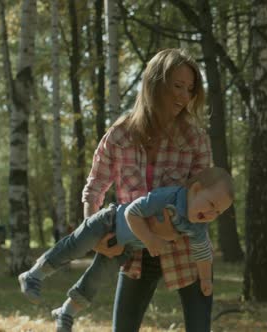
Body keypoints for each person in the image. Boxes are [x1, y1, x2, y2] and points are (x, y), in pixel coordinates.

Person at [67, 48, 213, 331]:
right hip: (134, 251)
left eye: (190, 89)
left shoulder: (195, 138)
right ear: (155, 83)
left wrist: (175, 226)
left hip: (187, 250)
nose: (184, 96)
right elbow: (95, 185)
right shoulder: (120, 134)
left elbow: (204, 199)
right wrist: (94, 232)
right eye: (177, 86)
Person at [18, 167, 234, 331]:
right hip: (109, 222)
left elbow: (203, 252)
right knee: (75, 247)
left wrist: (205, 279)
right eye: (211, 204)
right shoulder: (169, 197)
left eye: (218, 213)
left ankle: (65, 312)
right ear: (195, 190)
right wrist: (150, 238)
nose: (212, 214)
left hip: (126, 247)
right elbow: (132, 211)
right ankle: (33, 274)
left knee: (97, 278)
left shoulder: (196, 226)